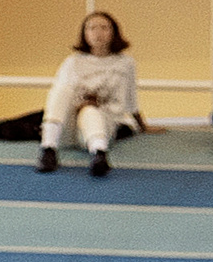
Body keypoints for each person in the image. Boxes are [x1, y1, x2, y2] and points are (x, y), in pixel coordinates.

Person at [38, 11, 142, 177]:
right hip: (68, 126)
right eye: (92, 28)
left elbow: (130, 99)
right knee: (61, 90)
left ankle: (99, 155)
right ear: (84, 33)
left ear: (114, 31)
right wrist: (79, 103)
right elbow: (61, 98)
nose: (98, 33)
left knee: (90, 111)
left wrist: (142, 125)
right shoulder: (72, 62)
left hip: (99, 126)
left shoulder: (125, 63)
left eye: (104, 28)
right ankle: (48, 149)